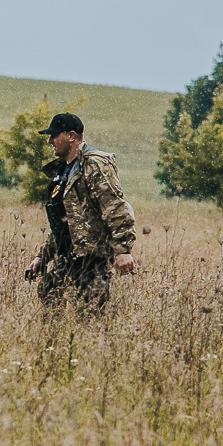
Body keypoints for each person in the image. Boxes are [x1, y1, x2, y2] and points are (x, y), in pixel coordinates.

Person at [24, 112, 136, 309]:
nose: (50, 141)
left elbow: (115, 207)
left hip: (92, 259)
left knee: (90, 314)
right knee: (47, 294)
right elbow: (63, 223)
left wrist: (123, 250)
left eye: (54, 135)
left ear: (71, 136)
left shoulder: (94, 164)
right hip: (67, 257)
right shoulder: (63, 171)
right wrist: (43, 255)